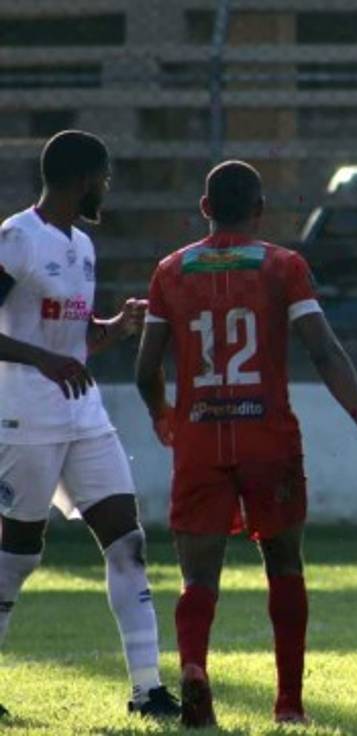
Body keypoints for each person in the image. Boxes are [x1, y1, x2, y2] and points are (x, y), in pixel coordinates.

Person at [135, 160, 357, 726]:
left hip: (201, 436)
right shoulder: (283, 266)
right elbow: (326, 353)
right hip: (268, 438)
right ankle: (289, 705)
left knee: (197, 576)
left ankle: (193, 667)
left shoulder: (170, 270)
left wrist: (163, 415)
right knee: (284, 563)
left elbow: (144, 368)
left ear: (205, 209)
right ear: (260, 209)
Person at [0, 130, 180, 720]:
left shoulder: (82, 244)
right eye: (103, 177)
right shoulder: (17, 237)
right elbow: (43, 348)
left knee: (128, 543)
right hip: (25, 417)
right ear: (82, 179)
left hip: (84, 415)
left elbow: (74, 341)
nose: (107, 188)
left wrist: (115, 328)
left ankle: (147, 690)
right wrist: (41, 359)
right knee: (19, 553)